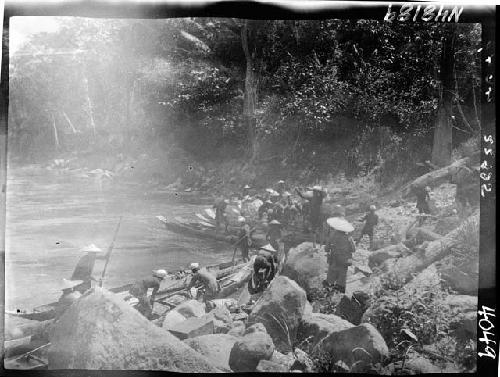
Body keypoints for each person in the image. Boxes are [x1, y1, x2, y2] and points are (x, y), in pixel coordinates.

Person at [325, 217, 355, 293]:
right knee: (342, 279)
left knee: (330, 278)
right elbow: (353, 249)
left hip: (334, 259)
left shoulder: (332, 236)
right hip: (345, 261)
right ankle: (340, 295)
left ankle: (328, 293)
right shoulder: (349, 238)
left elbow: (326, 249)